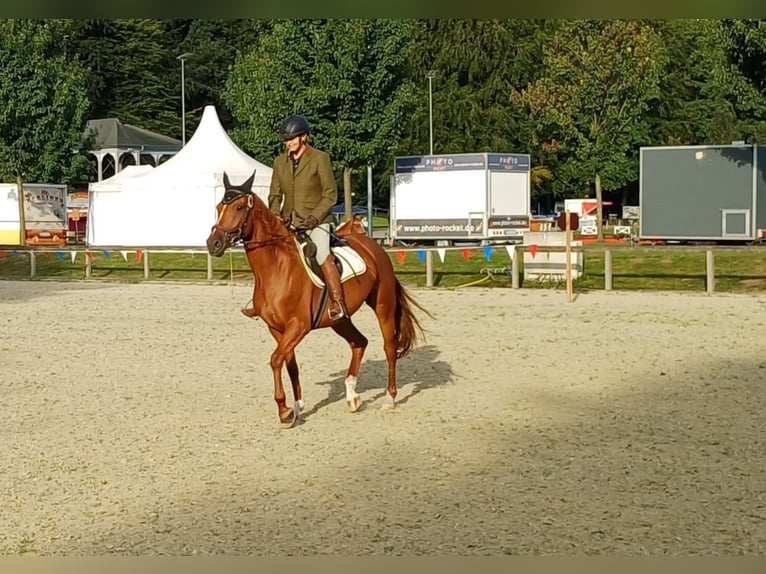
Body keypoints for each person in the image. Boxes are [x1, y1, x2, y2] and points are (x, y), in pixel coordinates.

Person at [267, 114, 349, 321]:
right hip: (289, 222)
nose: (289, 143)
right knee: (271, 255)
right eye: (286, 140)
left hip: (317, 222)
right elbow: (274, 194)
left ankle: (337, 302)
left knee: (321, 254)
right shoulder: (279, 162)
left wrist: (314, 217)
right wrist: (276, 214)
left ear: (303, 136)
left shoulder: (320, 158)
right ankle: (265, 300)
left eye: (293, 138)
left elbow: (330, 193)